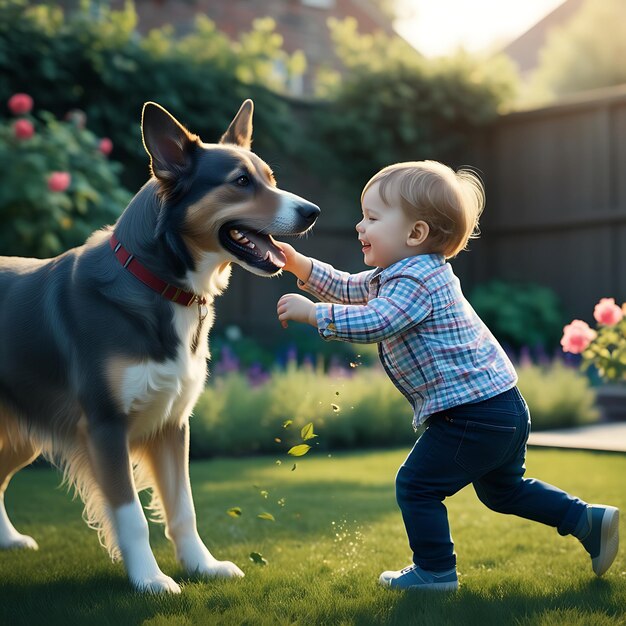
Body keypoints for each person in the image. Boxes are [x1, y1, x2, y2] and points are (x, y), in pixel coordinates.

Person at [275, 160, 619, 592]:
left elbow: (379, 321)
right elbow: (349, 287)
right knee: (503, 492)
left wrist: (314, 314)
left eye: (373, 218)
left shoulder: (416, 281)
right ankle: (586, 519)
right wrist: (301, 265)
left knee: (416, 485)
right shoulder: (397, 274)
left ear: (415, 234)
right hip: (501, 410)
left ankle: (435, 572)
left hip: (472, 415)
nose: (360, 226)